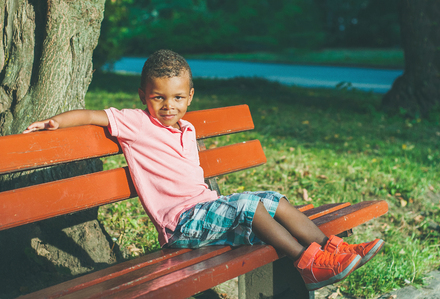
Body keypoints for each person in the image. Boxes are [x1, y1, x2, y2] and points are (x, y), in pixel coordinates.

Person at [23, 49, 384, 291]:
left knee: (273, 199)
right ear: (142, 96)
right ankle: (307, 265)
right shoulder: (134, 123)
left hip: (208, 213)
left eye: (177, 97)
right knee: (248, 206)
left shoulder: (188, 129)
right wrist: (56, 121)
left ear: (190, 96)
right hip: (182, 226)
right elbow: (91, 116)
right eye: (158, 97)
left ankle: (333, 250)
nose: (168, 106)